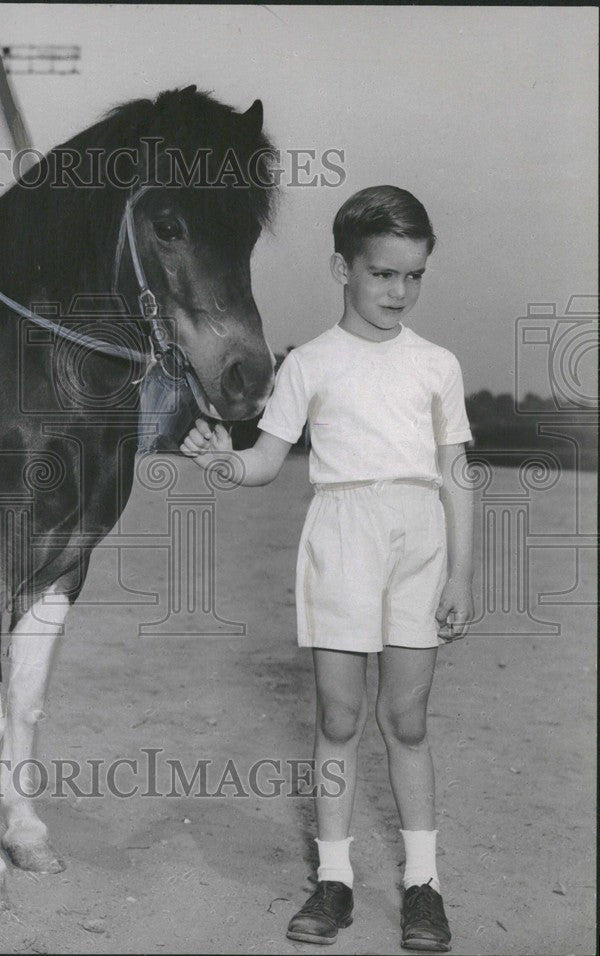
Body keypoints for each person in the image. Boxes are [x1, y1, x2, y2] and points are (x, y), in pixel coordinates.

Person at [181, 185, 474, 952]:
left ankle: (423, 885)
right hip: (340, 537)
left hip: (420, 539)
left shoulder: (436, 365)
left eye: (413, 276)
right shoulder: (309, 363)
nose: (398, 292)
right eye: (383, 274)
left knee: (405, 721)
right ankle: (336, 878)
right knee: (339, 718)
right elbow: (267, 461)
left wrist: (463, 575)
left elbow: (457, 476)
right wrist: (222, 462)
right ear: (341, 268)